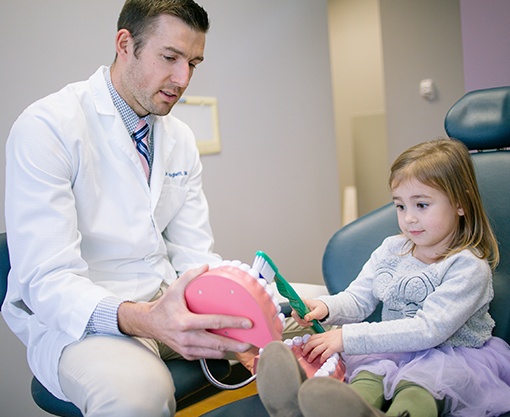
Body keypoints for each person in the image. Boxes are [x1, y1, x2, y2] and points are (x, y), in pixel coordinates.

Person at [2, 1, 254, 416]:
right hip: (83, 324)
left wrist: (240, 300)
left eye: (193, 62)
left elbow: (194, 255)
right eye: (170, 58)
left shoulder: (179, 138)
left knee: (308, 314)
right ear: (125, 44)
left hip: (167, 305)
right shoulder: (47, 127)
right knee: (138, 395)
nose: (183, 78)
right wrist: (148, 319)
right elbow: (47, 281)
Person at [256, 138, 510, 417]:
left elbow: (429, 330)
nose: (408, 218)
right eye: (400, 206)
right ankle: (302, 410)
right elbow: (358, 299)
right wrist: (327, 307)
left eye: (422, 205)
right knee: (362, 384)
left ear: (460, 204)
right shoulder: (391, 248)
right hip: (390, 351)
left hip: (449, 359)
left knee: (417, 392)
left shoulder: (468, 268)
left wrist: (347, 337)